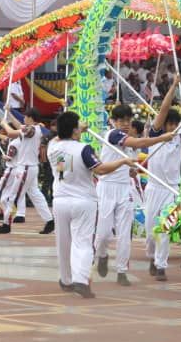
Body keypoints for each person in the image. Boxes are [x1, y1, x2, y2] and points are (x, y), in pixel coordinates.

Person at [48, 110, 134, 299]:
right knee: (83, 242)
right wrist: (123, 161)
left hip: (60, 199)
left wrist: (76, 129)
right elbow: (101, 169)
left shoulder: (52, 146)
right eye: (78, 126)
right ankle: (81, 279)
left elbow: (62, 140)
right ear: (74, 130)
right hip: (83, 201)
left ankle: (66, 279)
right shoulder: (83, 149)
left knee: (63, 242)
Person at [95, 103, 174, 284]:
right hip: (106, 188)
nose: (124, 124)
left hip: (124, 189)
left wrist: (130, 171)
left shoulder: (130, 144)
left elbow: (131, 159)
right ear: (113, 121)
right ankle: (102, 254)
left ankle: (122, 271)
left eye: (128, 121)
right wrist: (163, 138)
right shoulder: (113, 135)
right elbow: (141, 142)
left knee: (124, 233)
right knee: (104, 233)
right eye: (121, 120)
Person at [145, 76, 181, 281]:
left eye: (176, 124)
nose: (172, 127)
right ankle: (152, 257)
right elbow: (163, 110)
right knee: (151, 232)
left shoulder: (179, 139)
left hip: (172, 191)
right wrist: (175, 85)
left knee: (165, 229)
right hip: (153, 188)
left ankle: (161, 265)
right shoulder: (154, 134)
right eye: (170, 124)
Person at [0, 108, 55, 235]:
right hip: (30, 167)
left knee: (13, 197)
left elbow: (11, 133)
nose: (24, 119)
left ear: (31, 118)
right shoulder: (33, 129)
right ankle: (49, 220)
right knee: (35, 195)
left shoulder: (31, 129)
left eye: (26, 117)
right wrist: (8, 112)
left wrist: (4, 123)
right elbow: (18, 125)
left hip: (26, 168)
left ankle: (6, 224)